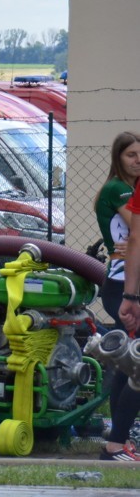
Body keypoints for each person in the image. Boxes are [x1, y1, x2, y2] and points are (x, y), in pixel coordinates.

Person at [96, 132, 140, 461]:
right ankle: (117, 440)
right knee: (133, 361)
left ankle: (119, 436)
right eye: (131, 155)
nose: (138, 160)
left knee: (128, 364)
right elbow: (137, 231)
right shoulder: (118, 189)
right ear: (118, 158)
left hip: (128, 283)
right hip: (123, 285)